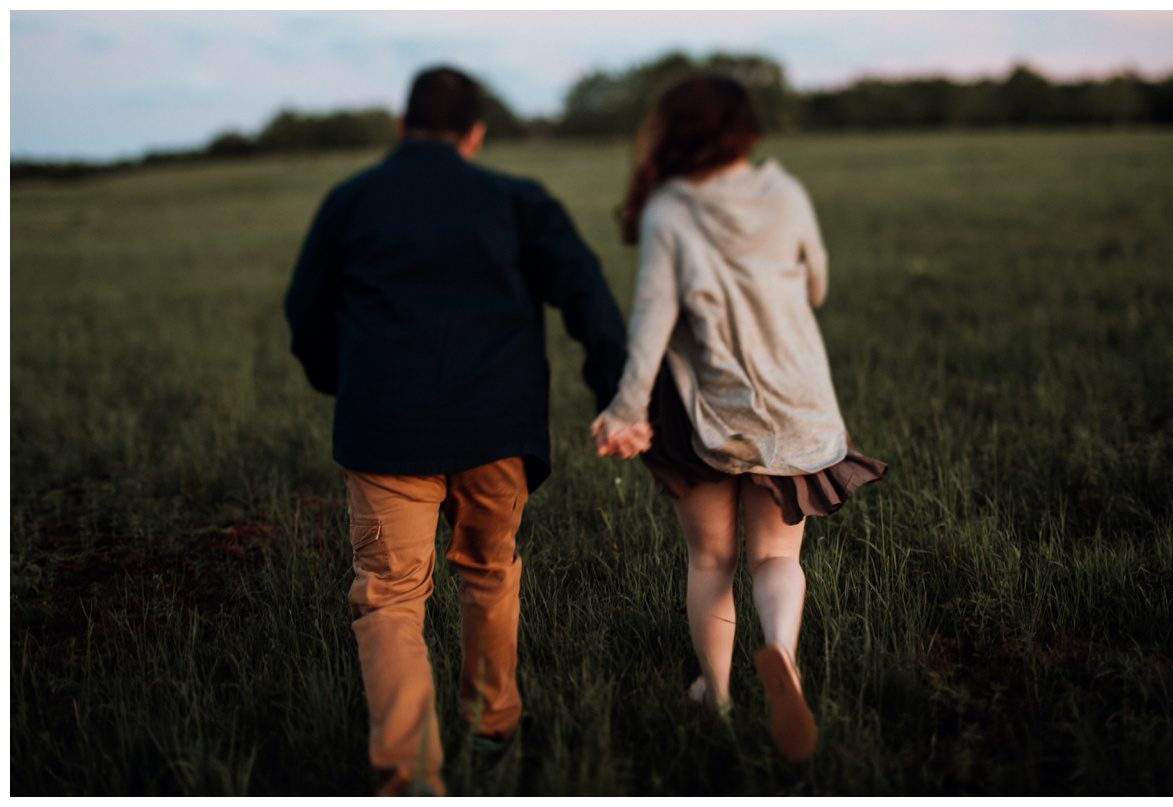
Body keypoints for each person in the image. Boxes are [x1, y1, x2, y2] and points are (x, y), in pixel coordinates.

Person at [284, 66, 627, 796]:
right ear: (474, 134)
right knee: (488, 569)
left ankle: (409, 778)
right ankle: (494, 724)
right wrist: (615, 390)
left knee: (389, 596)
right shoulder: (516, 199)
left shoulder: (351, 200)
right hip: (496, 429)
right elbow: (587, 293)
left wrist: (339, 379)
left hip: (385, 430)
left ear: (403, 126)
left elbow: (304, 310)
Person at [591, 74, 887, 763]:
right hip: (797, 408)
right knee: (776, 556)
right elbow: (817, 283)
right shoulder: (783, 192)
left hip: (709, 417)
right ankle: (781, 650)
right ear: (745, 132)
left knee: (712, 558)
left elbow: (651, 325)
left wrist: (626, 410)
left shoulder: (670, 210)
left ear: (674, 134)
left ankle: (718, 696)